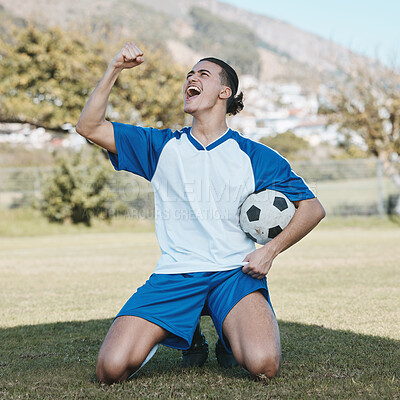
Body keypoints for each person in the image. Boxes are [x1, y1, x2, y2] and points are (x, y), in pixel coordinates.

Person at [76, 42, 325, 384]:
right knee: (110, 370)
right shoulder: (159, 147)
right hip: (176, 275)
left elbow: (312, 208)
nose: (191, 78)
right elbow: (89, 127)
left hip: (234, 274)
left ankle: (228, 334)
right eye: (189, 74)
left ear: (225, 92)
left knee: (263, 365)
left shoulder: (255, 156)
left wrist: (270, 250)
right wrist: (114, 69)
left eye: (202, 74)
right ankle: (188, 333)